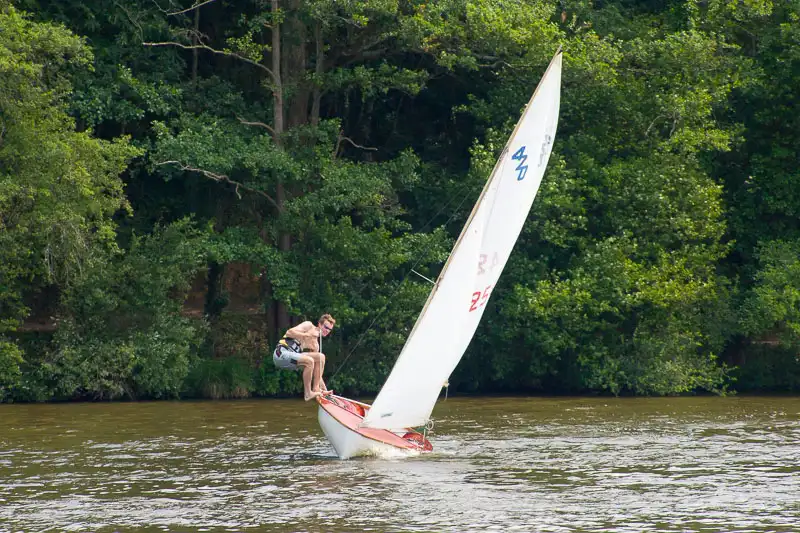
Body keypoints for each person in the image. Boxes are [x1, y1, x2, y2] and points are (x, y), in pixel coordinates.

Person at [273, 314, 336, 401]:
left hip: (290, 360)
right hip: (281, 353)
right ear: (320, 324)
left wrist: (326, 391)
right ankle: (308, 394)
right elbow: (289, 333)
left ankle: (316, 389)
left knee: (320, 357)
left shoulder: (315, 345)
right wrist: (307, 335)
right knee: (310, 361)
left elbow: (317, 373)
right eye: (326, 327)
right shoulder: (308, 325)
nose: (327, 330)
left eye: (330, 329)